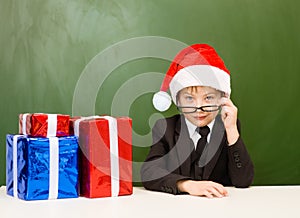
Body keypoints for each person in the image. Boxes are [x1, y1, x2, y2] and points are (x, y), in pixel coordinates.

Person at [140, 44, 254, 198]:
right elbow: (149, 172)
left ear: (222, 99)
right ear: (178, 101)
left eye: (208, 98)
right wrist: (187, 185)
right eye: (189, 99)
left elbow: (243, 180)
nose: (199, 108)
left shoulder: (229, 127)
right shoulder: (165, 127)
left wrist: (232, 130)